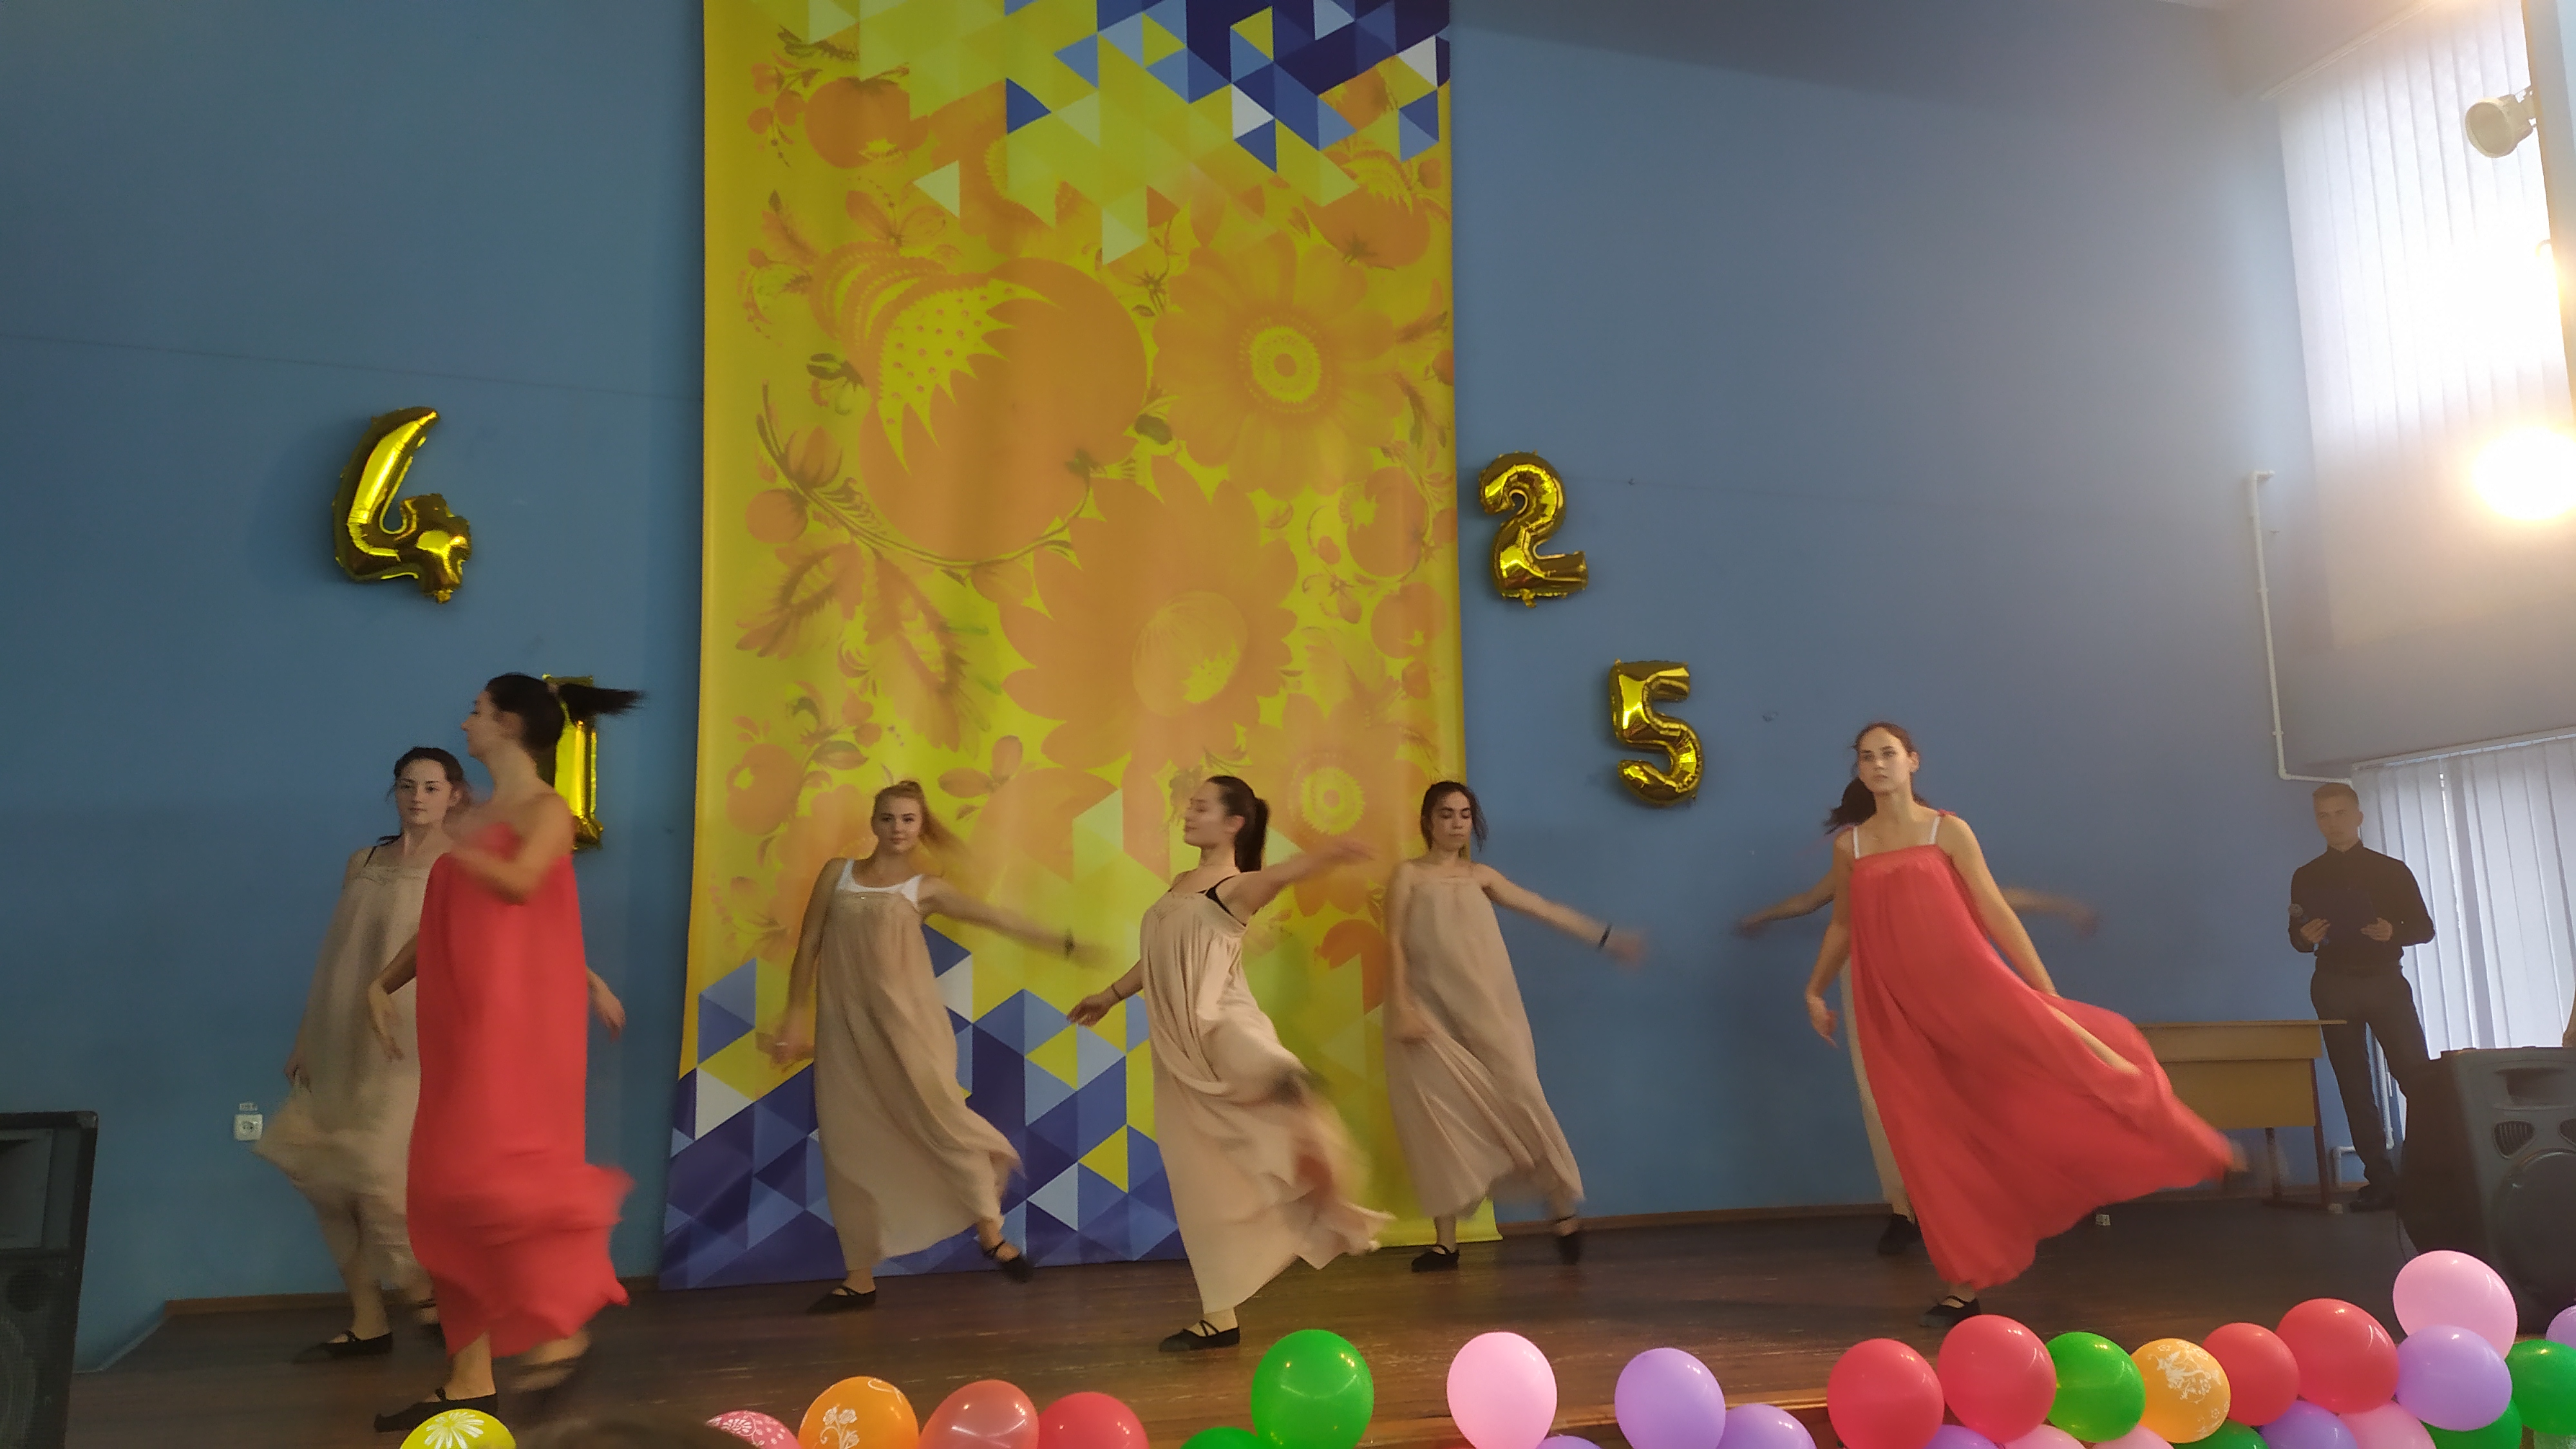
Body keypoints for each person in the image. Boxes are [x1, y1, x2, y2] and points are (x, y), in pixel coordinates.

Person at [1802, 722, 2231, 1328]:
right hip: (1892, 1010)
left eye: (1888, 754)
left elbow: (1995, 910)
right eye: (1866, 757)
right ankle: (1962, 1285)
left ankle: (2197, 1147)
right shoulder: (1852, 847)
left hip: (1970, 991)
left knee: (2081, 1066)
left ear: (1912, 761)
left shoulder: (1947, 830)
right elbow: (1843, 926)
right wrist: (1815, 989)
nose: (1877, 765)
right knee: (1925, 1140)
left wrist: (2044, 993)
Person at [366, 674, 638, 1434]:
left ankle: (561, 1331)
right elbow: (450, 917)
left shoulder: (546, 811)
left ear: (509, 724)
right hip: (458, 1031)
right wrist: (379, 984)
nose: (466, 723)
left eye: (477, 712)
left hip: (510, 1033)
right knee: (438, 1194)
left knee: (492, 1185)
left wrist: (457, 837)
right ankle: (469, 1379)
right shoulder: (477, 816)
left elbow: (521, 888)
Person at [1067, 775, 1389, 1350]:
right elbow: (1160, 956)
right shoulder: (1181, 886)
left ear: (1234, 823)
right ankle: (1219, 1316)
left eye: (1201, 807)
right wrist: (1110, 995)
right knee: (1202, 1184)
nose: (1189, 815)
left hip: (1222, 1028)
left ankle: (1315, 1154)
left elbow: (1280, 876)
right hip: (1179, 1051)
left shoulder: (1235, 889)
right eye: (1189, 807)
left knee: (1274, 1073)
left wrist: (1329, 856)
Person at [759, 779, 1097, 1312]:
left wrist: (1063, 942)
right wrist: (797, 1014)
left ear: (920, 826)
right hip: (845, 1030)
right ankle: (859, 1278)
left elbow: (996, 918)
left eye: (908, 819)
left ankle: (991, 1234)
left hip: (910, 1025)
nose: (897, 828)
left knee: (942, 1122)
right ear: (873, 823)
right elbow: (809, 945)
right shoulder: (837, 873)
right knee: (849, 1144)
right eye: (888, 818)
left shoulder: (925, 887)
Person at [1739, 779, 2100, 1257]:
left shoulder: (1938, 841)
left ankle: (1996, 1196)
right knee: (1889, 1094)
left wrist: (2061, 909)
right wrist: (1762, 919)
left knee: (1967, 1084)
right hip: (1876, 982)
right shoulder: (1857, 852)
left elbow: (1995, 899)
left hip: (1942, 979)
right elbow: (1820, 907)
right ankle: (1907, 1210)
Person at [256, 748, 464, 1363]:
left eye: (431, 786)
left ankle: (426, 1295)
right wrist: (307, 1035)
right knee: (320, 1175)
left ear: (454, 794)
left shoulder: (462, 864)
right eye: (407, 785)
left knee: (379, 1169)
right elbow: (337, 956)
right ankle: (368, 1319)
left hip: (411, 1039)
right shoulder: (364, 862)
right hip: (341, 1030)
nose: (418, 797)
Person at [1384, 781, 1640, 1271]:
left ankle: (1562, 1211)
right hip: (1428, 1017)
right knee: (1440, 1123)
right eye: (1446, 814)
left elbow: (1542, 908)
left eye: (1464, 815)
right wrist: (1401, 1008)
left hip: (1489, 1013)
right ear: (1428, 821)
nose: (1456, 824)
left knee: (1524, 1103)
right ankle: (1445, 1243)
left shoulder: (1481, 877)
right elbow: (1393, 941)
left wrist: (1607, 938)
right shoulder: (1408, 877)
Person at [2287, 781, 2434, 1212]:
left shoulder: (2391, 870)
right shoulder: (2307, 875)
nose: (2332, 823)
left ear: (2358, 817)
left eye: (2340, 813)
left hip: (2385, 980)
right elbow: (2297, 939)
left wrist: (2393, 931)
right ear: (2317, 822)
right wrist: (2306, 936)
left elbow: (2424, 929)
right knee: (2353, 1084)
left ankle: (2429, 1173)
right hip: (2333, 983)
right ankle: (2381, 1180)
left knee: (2417, 1078)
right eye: (2323, 816)